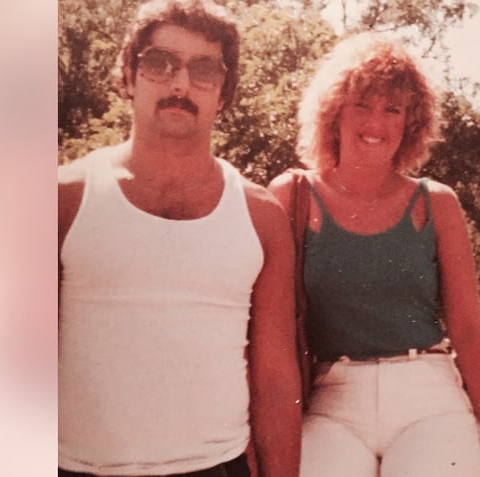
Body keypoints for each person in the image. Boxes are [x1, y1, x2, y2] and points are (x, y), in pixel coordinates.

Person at [58, 1, 301, 476]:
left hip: (215, 467)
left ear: (224, 92)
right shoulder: (63, 199)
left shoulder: (261, 218)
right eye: (158, 63)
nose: (179, 85)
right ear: (129, 76)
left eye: (203, 69)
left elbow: (274, 380)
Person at [268, 33, 480, 477]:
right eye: (362, 103)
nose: (375, 122)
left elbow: (470, 329)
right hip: (332, 399)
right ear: (334, 110)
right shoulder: (292, 197)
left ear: (410, 124)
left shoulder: (436, 203)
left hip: (430, 398)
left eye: (392, 109)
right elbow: (269, 330)